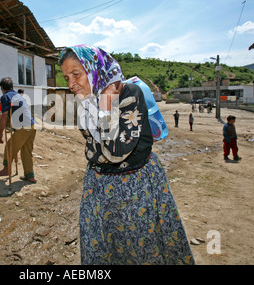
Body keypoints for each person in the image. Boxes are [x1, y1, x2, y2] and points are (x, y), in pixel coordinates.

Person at [59, 45, 195, 265]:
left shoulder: (130, 94)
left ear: (95, 69)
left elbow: (115, 152)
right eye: (66, 77)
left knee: (141, 248)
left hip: (136, 186)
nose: (71, 83)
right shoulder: (86, 102)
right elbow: (92, 149)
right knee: (105, 247)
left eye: (76, 74)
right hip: (100, 186)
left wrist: (106, 104)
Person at [0, 77, 37, 184]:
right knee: (26, 151)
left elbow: (4, 116)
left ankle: (6, 169)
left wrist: (0, 134)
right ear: (12, 87)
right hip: (31, 126)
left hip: (23, 127)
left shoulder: (5, 96)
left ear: (2, 88)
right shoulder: (18, 96)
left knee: (9, 147)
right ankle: (29, 175)